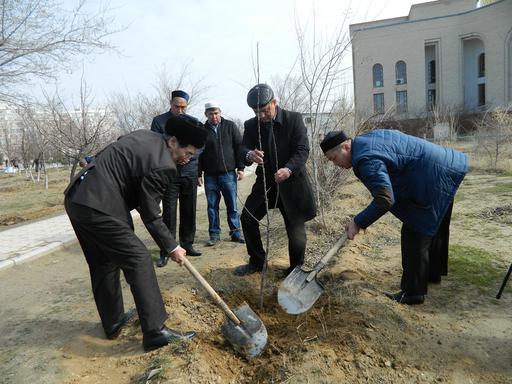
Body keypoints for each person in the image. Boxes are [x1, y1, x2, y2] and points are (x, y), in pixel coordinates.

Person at [64, 114, 208, 351]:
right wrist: (172, 247)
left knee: (103, 262)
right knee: (139, 258)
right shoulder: (163, 165)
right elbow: (151, 214)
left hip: (78, 199)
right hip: (101, 204)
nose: (187, 159)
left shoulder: (145, 135)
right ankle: (155, 331)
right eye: (188, 153)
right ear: (172, 142)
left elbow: (124, 151)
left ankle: (113, 321)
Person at [320, 129, 468, 305]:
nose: (335, 164)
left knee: (415, 230)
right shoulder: (365, 142)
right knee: (434, 223)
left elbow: (384, 199)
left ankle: (413, 293)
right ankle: (431, 275)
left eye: (334, 158)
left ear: (345, 146)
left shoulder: (364, 159)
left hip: (432, 176)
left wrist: (358, 222)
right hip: (443, 166)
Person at [234, 84, 317, 276]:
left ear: (274, 103)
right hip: (266, 183)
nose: (261, 116)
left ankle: (295, 269)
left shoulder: (293, 119)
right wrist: (249, 155)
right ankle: (257, 262)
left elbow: (302, 149)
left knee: (295, 227)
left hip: (292, 182)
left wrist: (288, 169)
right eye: (257, 112)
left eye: (265, 110)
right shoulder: (251, 125)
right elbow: (243, 148)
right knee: (248, 218)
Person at [151, 90, 202, 267]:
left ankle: (187, 244)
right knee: (169, 212)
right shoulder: (159, 121)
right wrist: (175, 157)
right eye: (176, 107)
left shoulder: (193, 122)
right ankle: (166, 249)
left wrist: (188, 157)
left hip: (189, 172)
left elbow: (201, 146)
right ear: (170, 104)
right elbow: (157, 143)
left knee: (189, 210)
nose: (180, 110)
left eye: (183, 107)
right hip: (169, 173)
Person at [198, 102, 245, 246]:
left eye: (216, 113)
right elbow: (198, 153)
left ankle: (236, 233)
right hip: (210, 176)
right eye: (211, 114)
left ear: (220, 112)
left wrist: (241, 168)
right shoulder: (201, 130)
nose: (214, 116)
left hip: (228, 174)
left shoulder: (230, 126)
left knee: (232, 205)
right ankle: (214, 235)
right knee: (212, 206)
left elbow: (239, 147)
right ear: (206, 114)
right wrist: (198, 173)